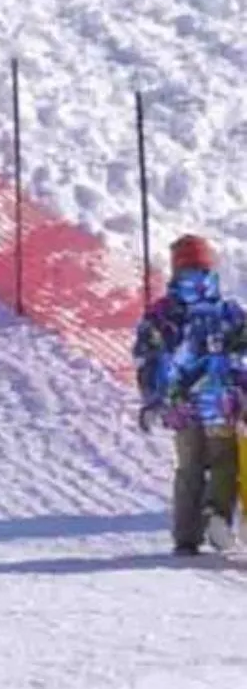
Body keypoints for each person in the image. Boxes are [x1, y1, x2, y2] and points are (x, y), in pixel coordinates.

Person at [135, 237, 244, 555]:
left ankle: (186, 535)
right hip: (220, 401)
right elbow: (242, 350)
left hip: (180, 402)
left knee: (189, 465)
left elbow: (148, 356)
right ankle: (216, 516)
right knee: (224, 461)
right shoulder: (226, 310)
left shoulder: (162, 314)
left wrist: (154, 397)